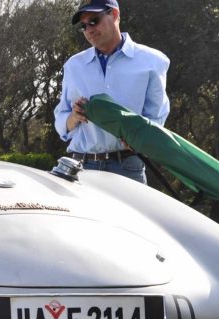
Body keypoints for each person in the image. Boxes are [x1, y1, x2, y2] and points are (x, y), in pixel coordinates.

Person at [53, 0, 170, 184]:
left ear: (115, 14)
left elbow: (157, 118)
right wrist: (73, 118)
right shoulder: (73, 66)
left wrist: (140, 139)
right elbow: (61, 122)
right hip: (79, 168)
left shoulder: (153, 61)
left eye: (94, 21)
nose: (89, 30)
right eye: (83, 26)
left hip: (128, 168)